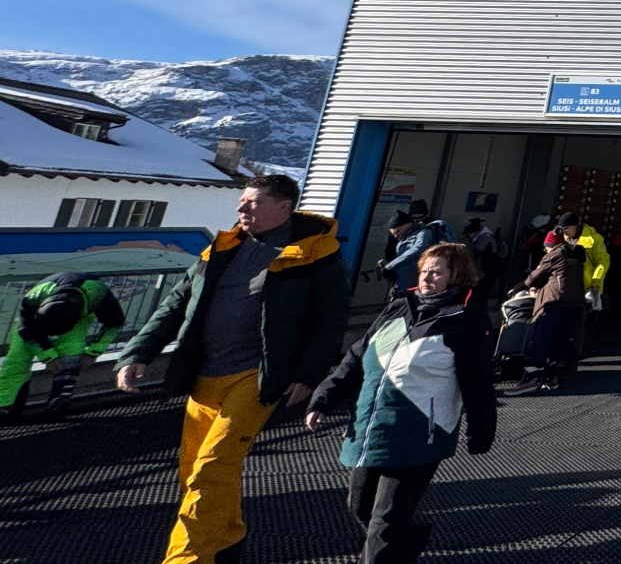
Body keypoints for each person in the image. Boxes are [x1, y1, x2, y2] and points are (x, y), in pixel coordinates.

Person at [116, 173, 349, 564]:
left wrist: (308, 375)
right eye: (242, 201)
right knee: (193, 468)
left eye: (253, 203)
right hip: (205, 374)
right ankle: (226, 536)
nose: (241, 209)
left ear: (283, 207)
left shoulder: (316, 254)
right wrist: (137, 353)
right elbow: (175, 305)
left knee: (213, 465)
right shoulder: (222, 248)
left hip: (254, 376)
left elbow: (330, 320)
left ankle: (188, 558)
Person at [307, 243, 495, 564]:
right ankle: (408, 539)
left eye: (436, 271)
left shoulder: (466, 320)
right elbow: (356, 357)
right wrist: (322, 399)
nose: (426, 277)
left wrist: (481, 429)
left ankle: (386, 550)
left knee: (386, 518)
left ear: (456, 276)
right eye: (423, 270)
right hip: (372, 429)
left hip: (420, 433)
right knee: (359, 505)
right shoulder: (397, 307)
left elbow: (477, 380)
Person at [1, 271, 125, 423]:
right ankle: (6, 407)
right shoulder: (32, 298)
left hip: (79, 314)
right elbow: (26, 329)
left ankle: (57, 405)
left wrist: (93, 352)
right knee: (17, 358)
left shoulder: (99, 294)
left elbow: (115, 323)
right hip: (34, 318)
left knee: (72, 352)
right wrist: (48, 356)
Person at [506, 214, 588, 395]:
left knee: (542, 337)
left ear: (550, 245)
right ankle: (553, 377)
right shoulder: (574, 253)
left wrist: (518, 287)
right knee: (561, 339)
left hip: (556, 303)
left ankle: (532, 377)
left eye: (545, 248)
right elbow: (561, 277)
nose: (545, 251)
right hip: (575, 303)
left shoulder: (554, 255)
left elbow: (535, 276)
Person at [380, 210, 446, 293]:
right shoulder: (403, 240)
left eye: (398, 231)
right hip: (403, 286)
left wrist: (391, 266)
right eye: (394, 234)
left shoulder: (424, 233)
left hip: (417, 287)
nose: (396, 236)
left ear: (407, 224)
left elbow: (419, 248)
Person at [462, 218, 505, 303]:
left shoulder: (484, 238)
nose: (468, 238)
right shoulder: (487, 236)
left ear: (473, 232)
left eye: (468, 236)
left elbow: (477, 252)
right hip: (491, 268)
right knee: (484, 290)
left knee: (481, 290)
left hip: (488, 268)